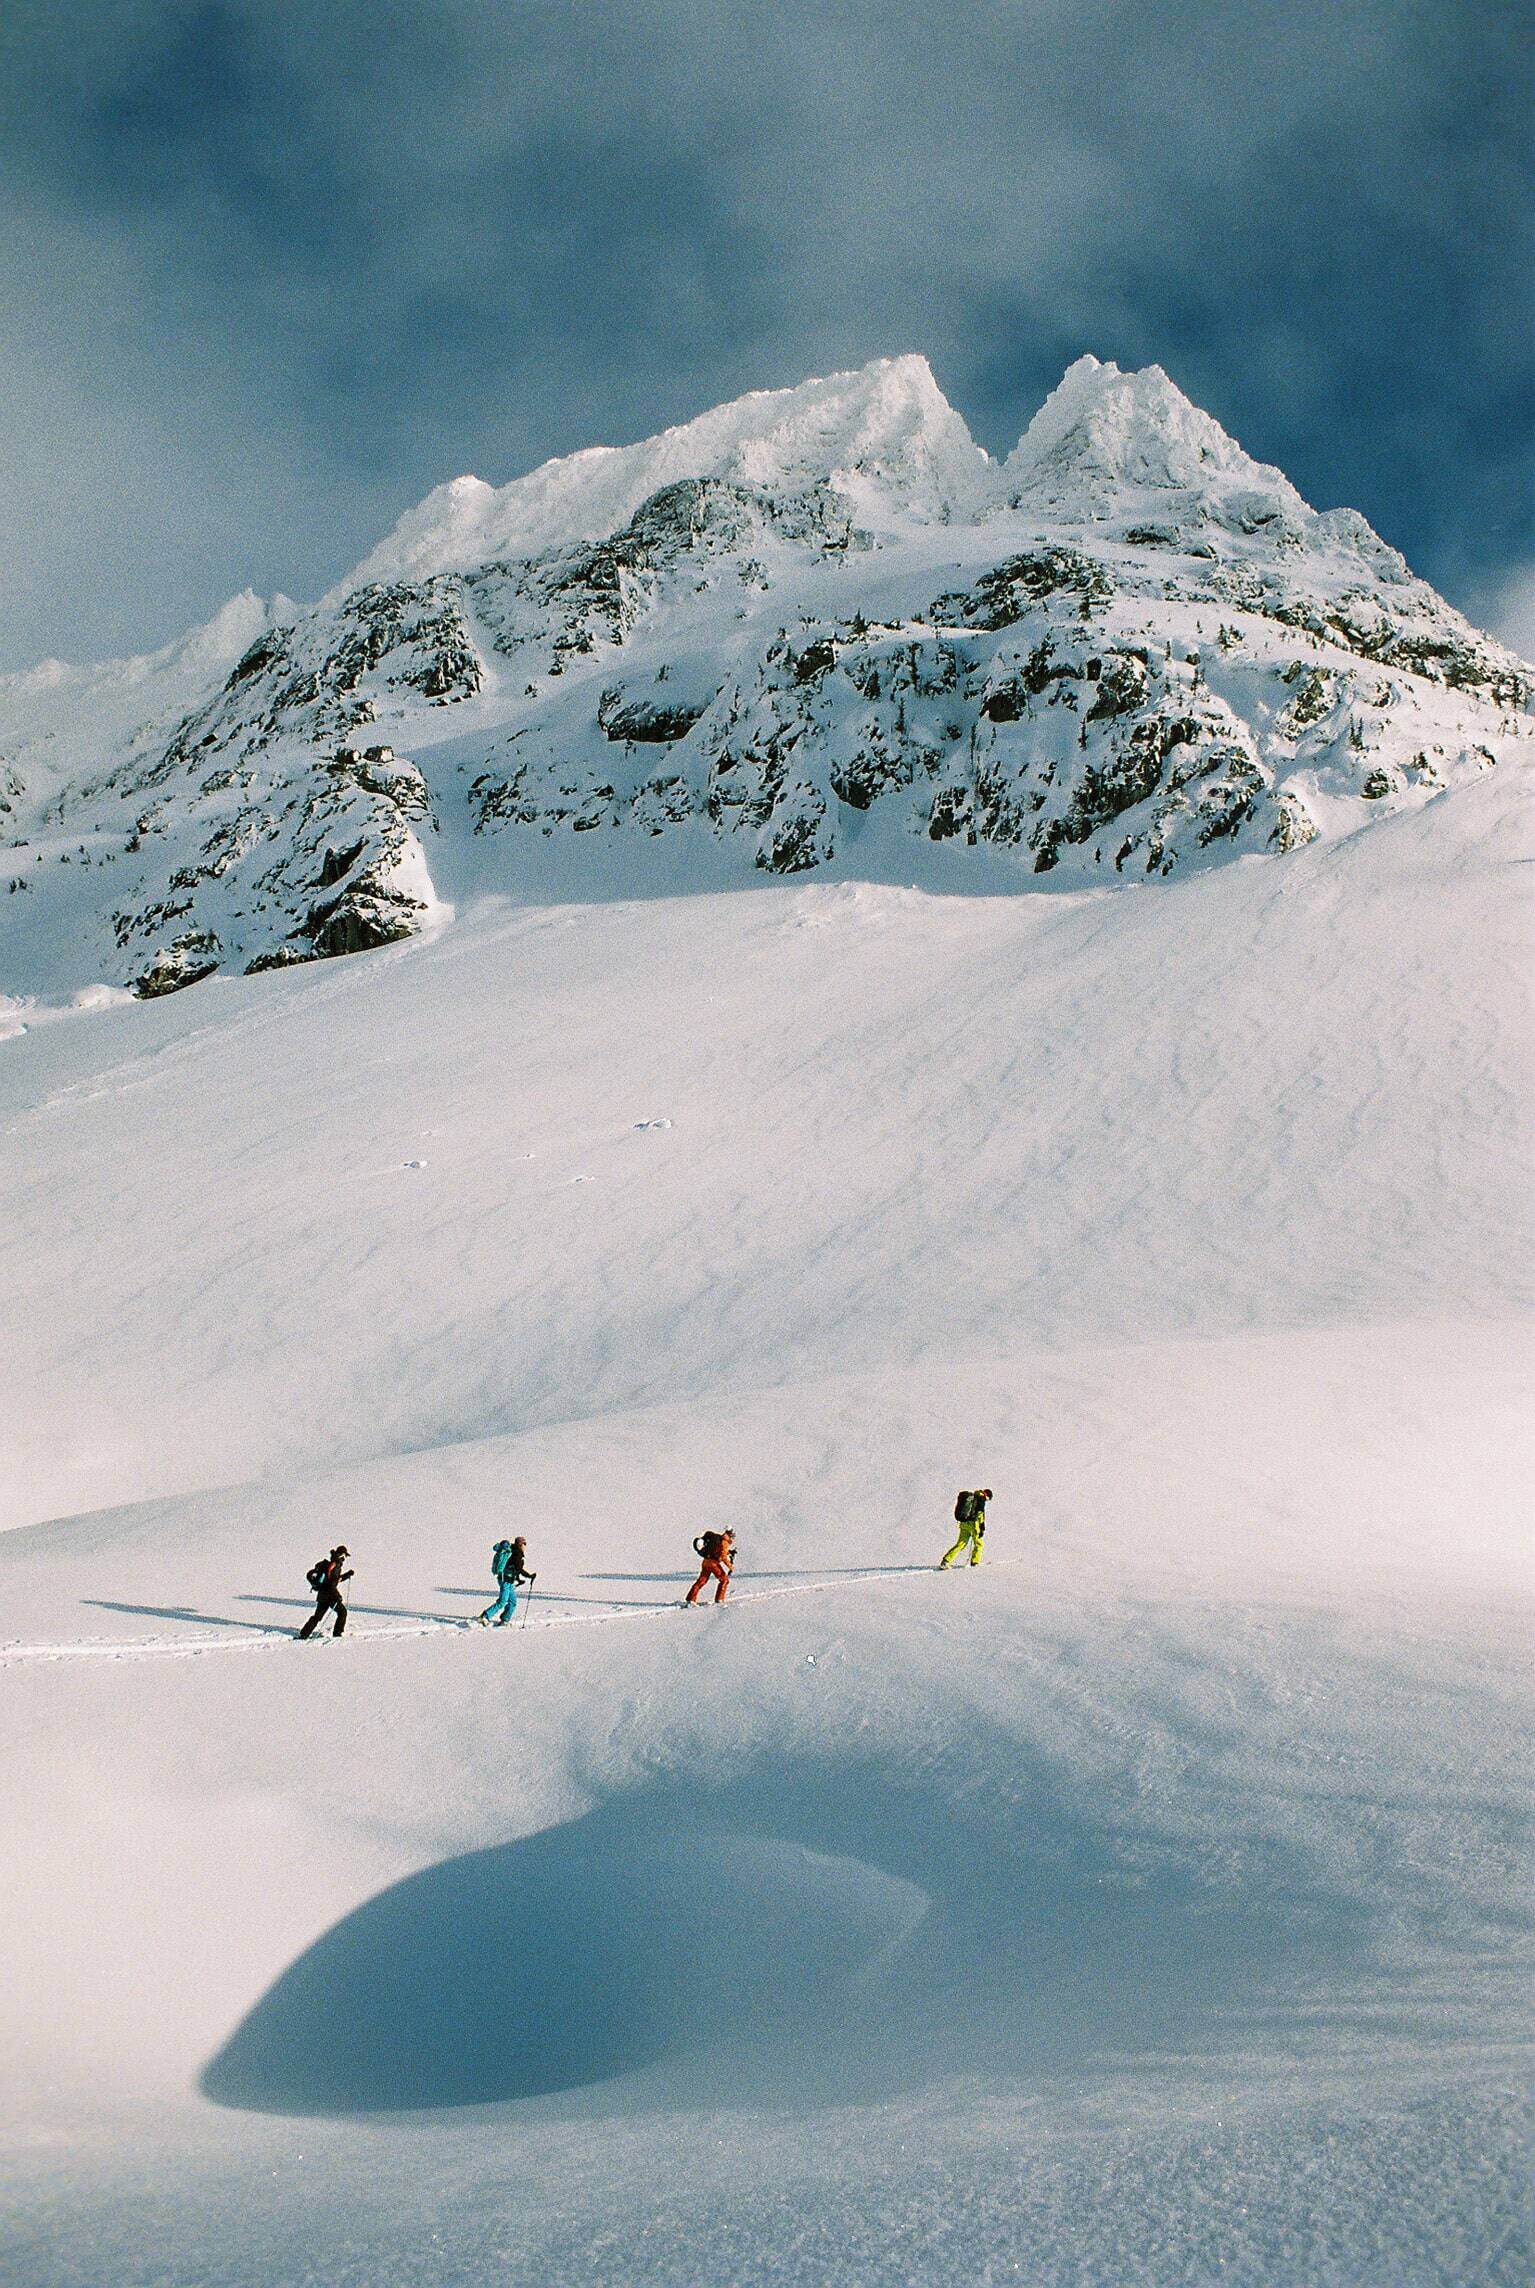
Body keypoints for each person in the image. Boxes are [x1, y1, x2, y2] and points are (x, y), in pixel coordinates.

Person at [477, 1536, 533, 1627]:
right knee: (502, 1601)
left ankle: (505, 1620)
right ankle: (484, 1616)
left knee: (512, 1602)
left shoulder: (514, 1552)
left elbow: (514, 1568)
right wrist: (529, 1576)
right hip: (505, 1580)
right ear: (520, 1544)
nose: (525, 1546)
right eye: (524, 1543)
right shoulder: (517, 1553)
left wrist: (521, 1578)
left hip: (508, 1581)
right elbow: (519, 1569)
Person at [298, 1545, 353, 1638]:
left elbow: (335, 1580)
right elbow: (331, 1583)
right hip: (330, 1595)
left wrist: (347, 1575)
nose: (344, 1559)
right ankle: (337, 1634)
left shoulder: (331, 1564)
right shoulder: (335, 1565)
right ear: (340, 1555)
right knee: (342, 1612)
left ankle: (304, 1634)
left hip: (322, 1595)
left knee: (317, 1616)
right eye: (344, 1556)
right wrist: (337, 1595)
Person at [940, 1489, 992, 1570]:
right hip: (973, 1525)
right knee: (979, 1544)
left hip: (964, 1524)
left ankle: (946, 1561)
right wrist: (982, 1527)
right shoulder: (981, 1498)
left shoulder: (973, 1497)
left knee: (961, 1544)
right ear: (987, 1495)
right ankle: (975, 1562)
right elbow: (979, 1514)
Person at [685, 1529, 735, 1605]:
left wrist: (729, 1552)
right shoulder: (724, 1542)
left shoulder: (718, 1539)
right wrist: (730, 1566)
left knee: (701, 1581)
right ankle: (719, 1600)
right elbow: (723, 1556)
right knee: (724, 1580)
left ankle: (691, 1599)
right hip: (713, 1564)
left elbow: (720, 1550)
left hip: (705, 1562)